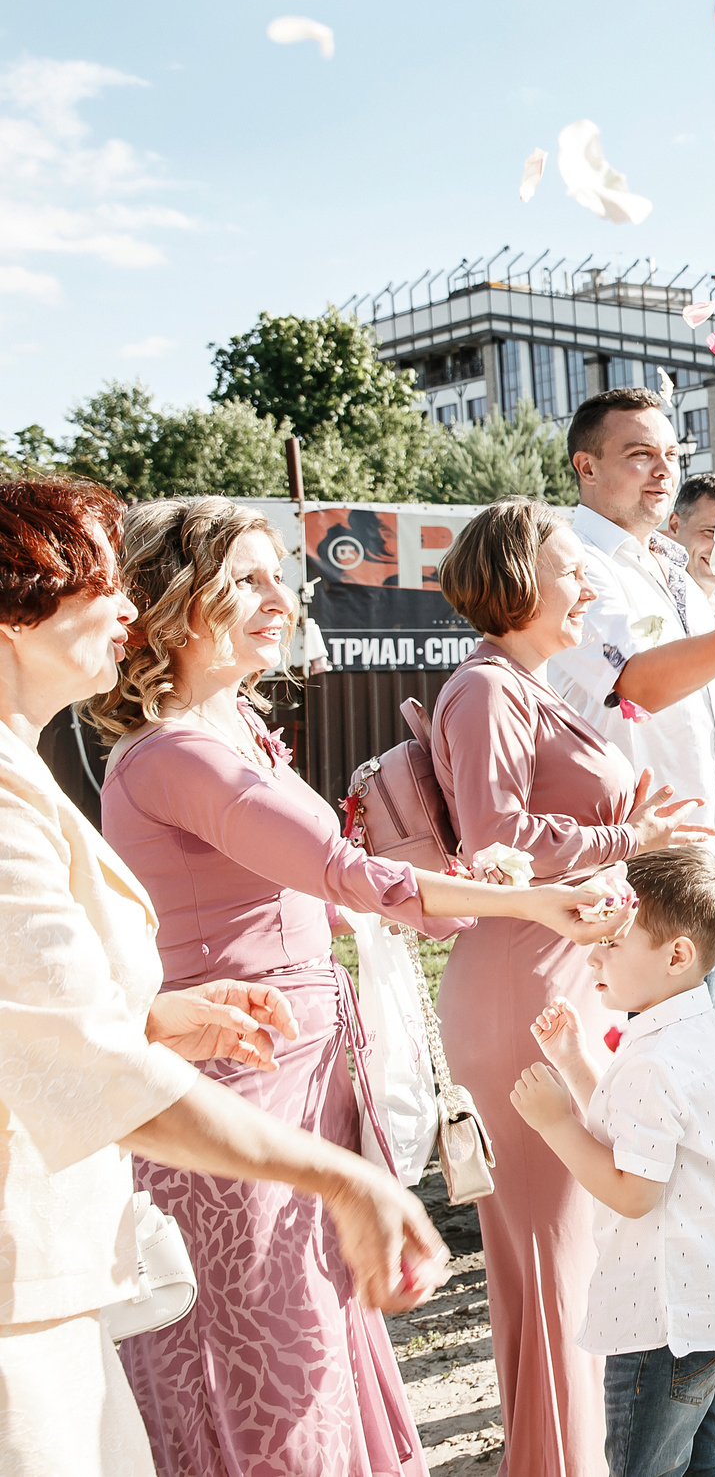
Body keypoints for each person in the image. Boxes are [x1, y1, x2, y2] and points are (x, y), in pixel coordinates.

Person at [86, 498, 617, 1477]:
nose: (276, 599)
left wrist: (426, 877)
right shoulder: (174, 753)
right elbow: (340, 874)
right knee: (270, 1370)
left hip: (306, 1079)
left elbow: (306, 892)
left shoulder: (237, 726)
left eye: (276, 577)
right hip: (239, 1092)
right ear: (173, 605)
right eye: (245, 579)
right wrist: (536, 905)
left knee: (331, 1346)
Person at [0, 476, 446, 1474]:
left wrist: (156, 1013)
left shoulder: (28, 771)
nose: (126, 608)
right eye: (98, 587)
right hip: (29, 1265)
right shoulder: (36, 793)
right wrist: (339, 1179)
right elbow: (84, 1067)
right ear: (15, 615)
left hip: (78, 1242)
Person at [430, 497, 715, 1475]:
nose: (589, 586)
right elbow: (495, 842)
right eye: (571, 571)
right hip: (524, 981)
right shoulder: (485, 691)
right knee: (556, 1254)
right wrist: (627, 839)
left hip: (567, 969)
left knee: (583, 1247)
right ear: (517, 580)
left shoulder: (532, 686)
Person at [544, 391, 715, 1201]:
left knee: (709, 1044)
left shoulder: (665, 562)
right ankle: (696, 1233)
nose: (663, 470)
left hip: (709, 847)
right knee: (657, 1064)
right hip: (641, 856)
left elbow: (714, 698)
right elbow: (637, 688)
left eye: (669, 453)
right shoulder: (574, 564)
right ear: (587, 467)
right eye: (638, 454)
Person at [509, 848, 715, 1477]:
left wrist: (554, 1123)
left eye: (612, 942)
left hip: (665, 1318)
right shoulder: (691, 1029)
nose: (592, 955)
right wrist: (574, 1063)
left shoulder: (654, 1060)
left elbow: (633, 1193)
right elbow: (638, 1130)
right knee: (708, 1464)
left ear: (677, 955)